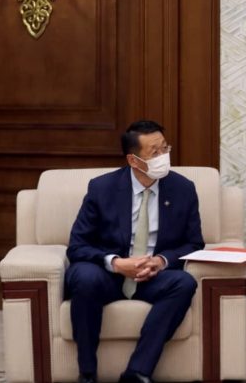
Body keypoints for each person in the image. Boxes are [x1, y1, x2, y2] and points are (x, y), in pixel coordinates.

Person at [65, 120, 204, 383]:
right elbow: (78, 246)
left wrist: (161, 261)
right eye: (155, 152)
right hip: (108, 274)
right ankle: (87, 373)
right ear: (133, 160)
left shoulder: (183, 189)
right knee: (84, 277)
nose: (163, 157)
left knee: (184, 282)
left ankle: (137, 372)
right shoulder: (102, 188)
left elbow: (194, 243)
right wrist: (116, 263)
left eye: (165, 148)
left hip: (152, 276)